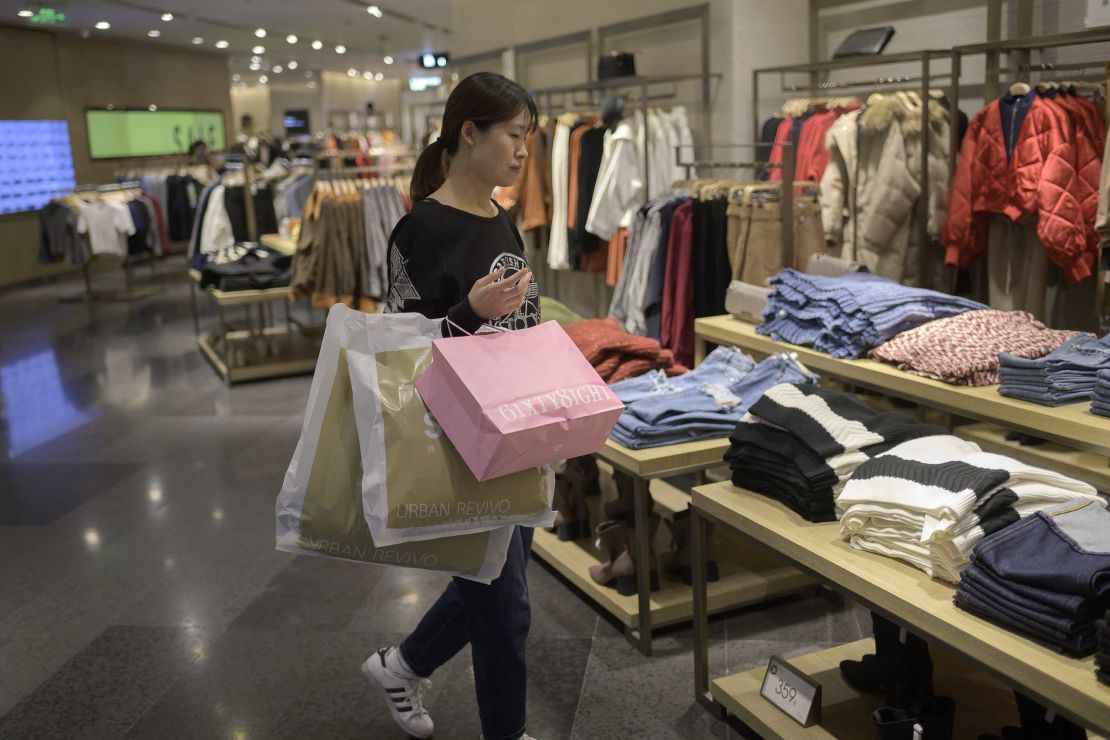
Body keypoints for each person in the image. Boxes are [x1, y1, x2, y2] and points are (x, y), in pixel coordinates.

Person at [362, 72, 542, 740]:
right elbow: (400, 353)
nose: (524, 152)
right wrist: (469, 311)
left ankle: (400, 666)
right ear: (470, 133)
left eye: (529, 138)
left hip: (511, 429)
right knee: (505, 607)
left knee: (492, 581)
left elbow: (519, 324)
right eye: (515, 136)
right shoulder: (420, 228)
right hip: (454, 439)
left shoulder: (501, 217)